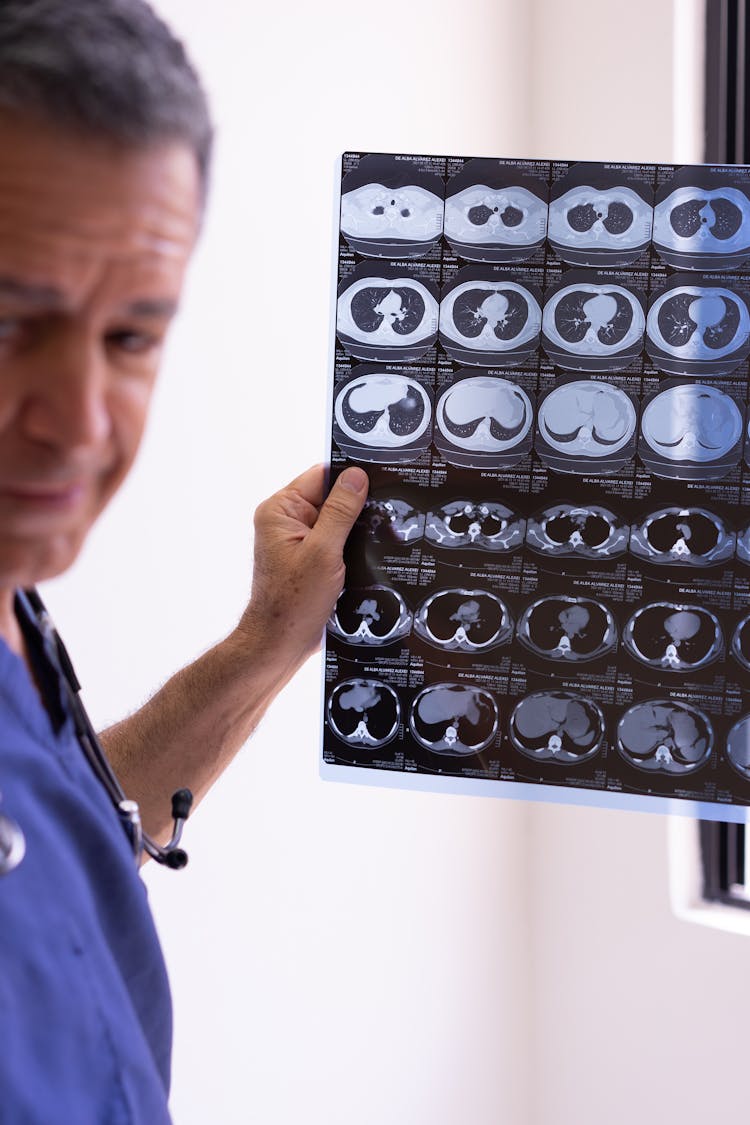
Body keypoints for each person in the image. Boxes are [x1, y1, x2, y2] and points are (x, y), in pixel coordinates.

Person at [0, 1, 368, 1120]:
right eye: (8, 322)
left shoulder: (13, 603)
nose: (81, 423)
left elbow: (51, 847)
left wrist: (265, 648)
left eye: (130, 339)